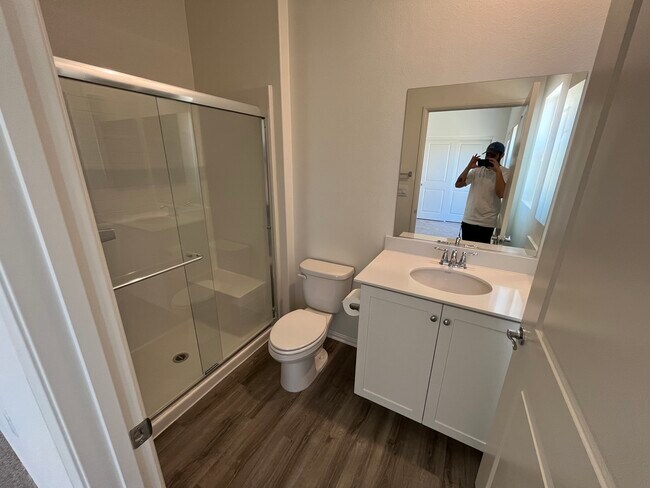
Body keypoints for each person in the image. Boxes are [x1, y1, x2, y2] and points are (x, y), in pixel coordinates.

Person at [454, 141, 510, 244]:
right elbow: (458, 184)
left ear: (501, 156)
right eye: (487, 154)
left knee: (481, 251)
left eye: (493, 155)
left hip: (487, 222)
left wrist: (498, 171)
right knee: (465, 248)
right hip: (469, 219)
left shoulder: (505, 172)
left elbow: (500, 194)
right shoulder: (477, 170)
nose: (489, 157)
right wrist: (469, 167)